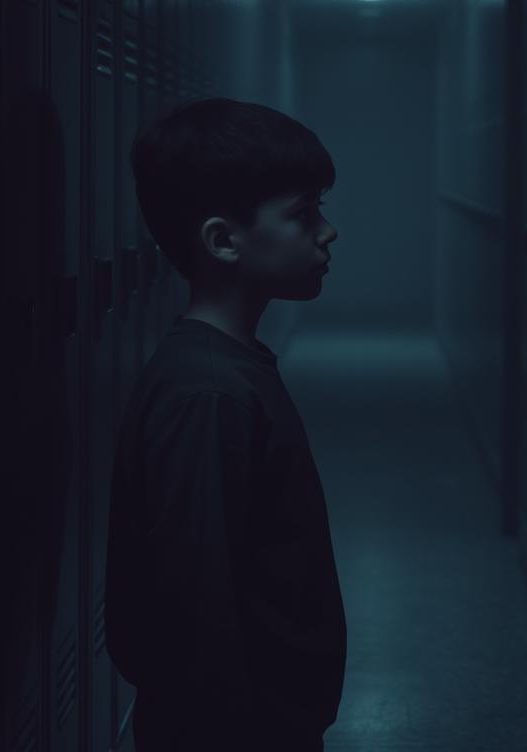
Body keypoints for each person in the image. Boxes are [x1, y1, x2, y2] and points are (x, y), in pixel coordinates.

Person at [104, 98, 346, 751]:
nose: (327, 232)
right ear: (222, 240)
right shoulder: (209, 394)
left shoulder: (228, 371)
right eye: (303, 214)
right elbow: (195, 620)